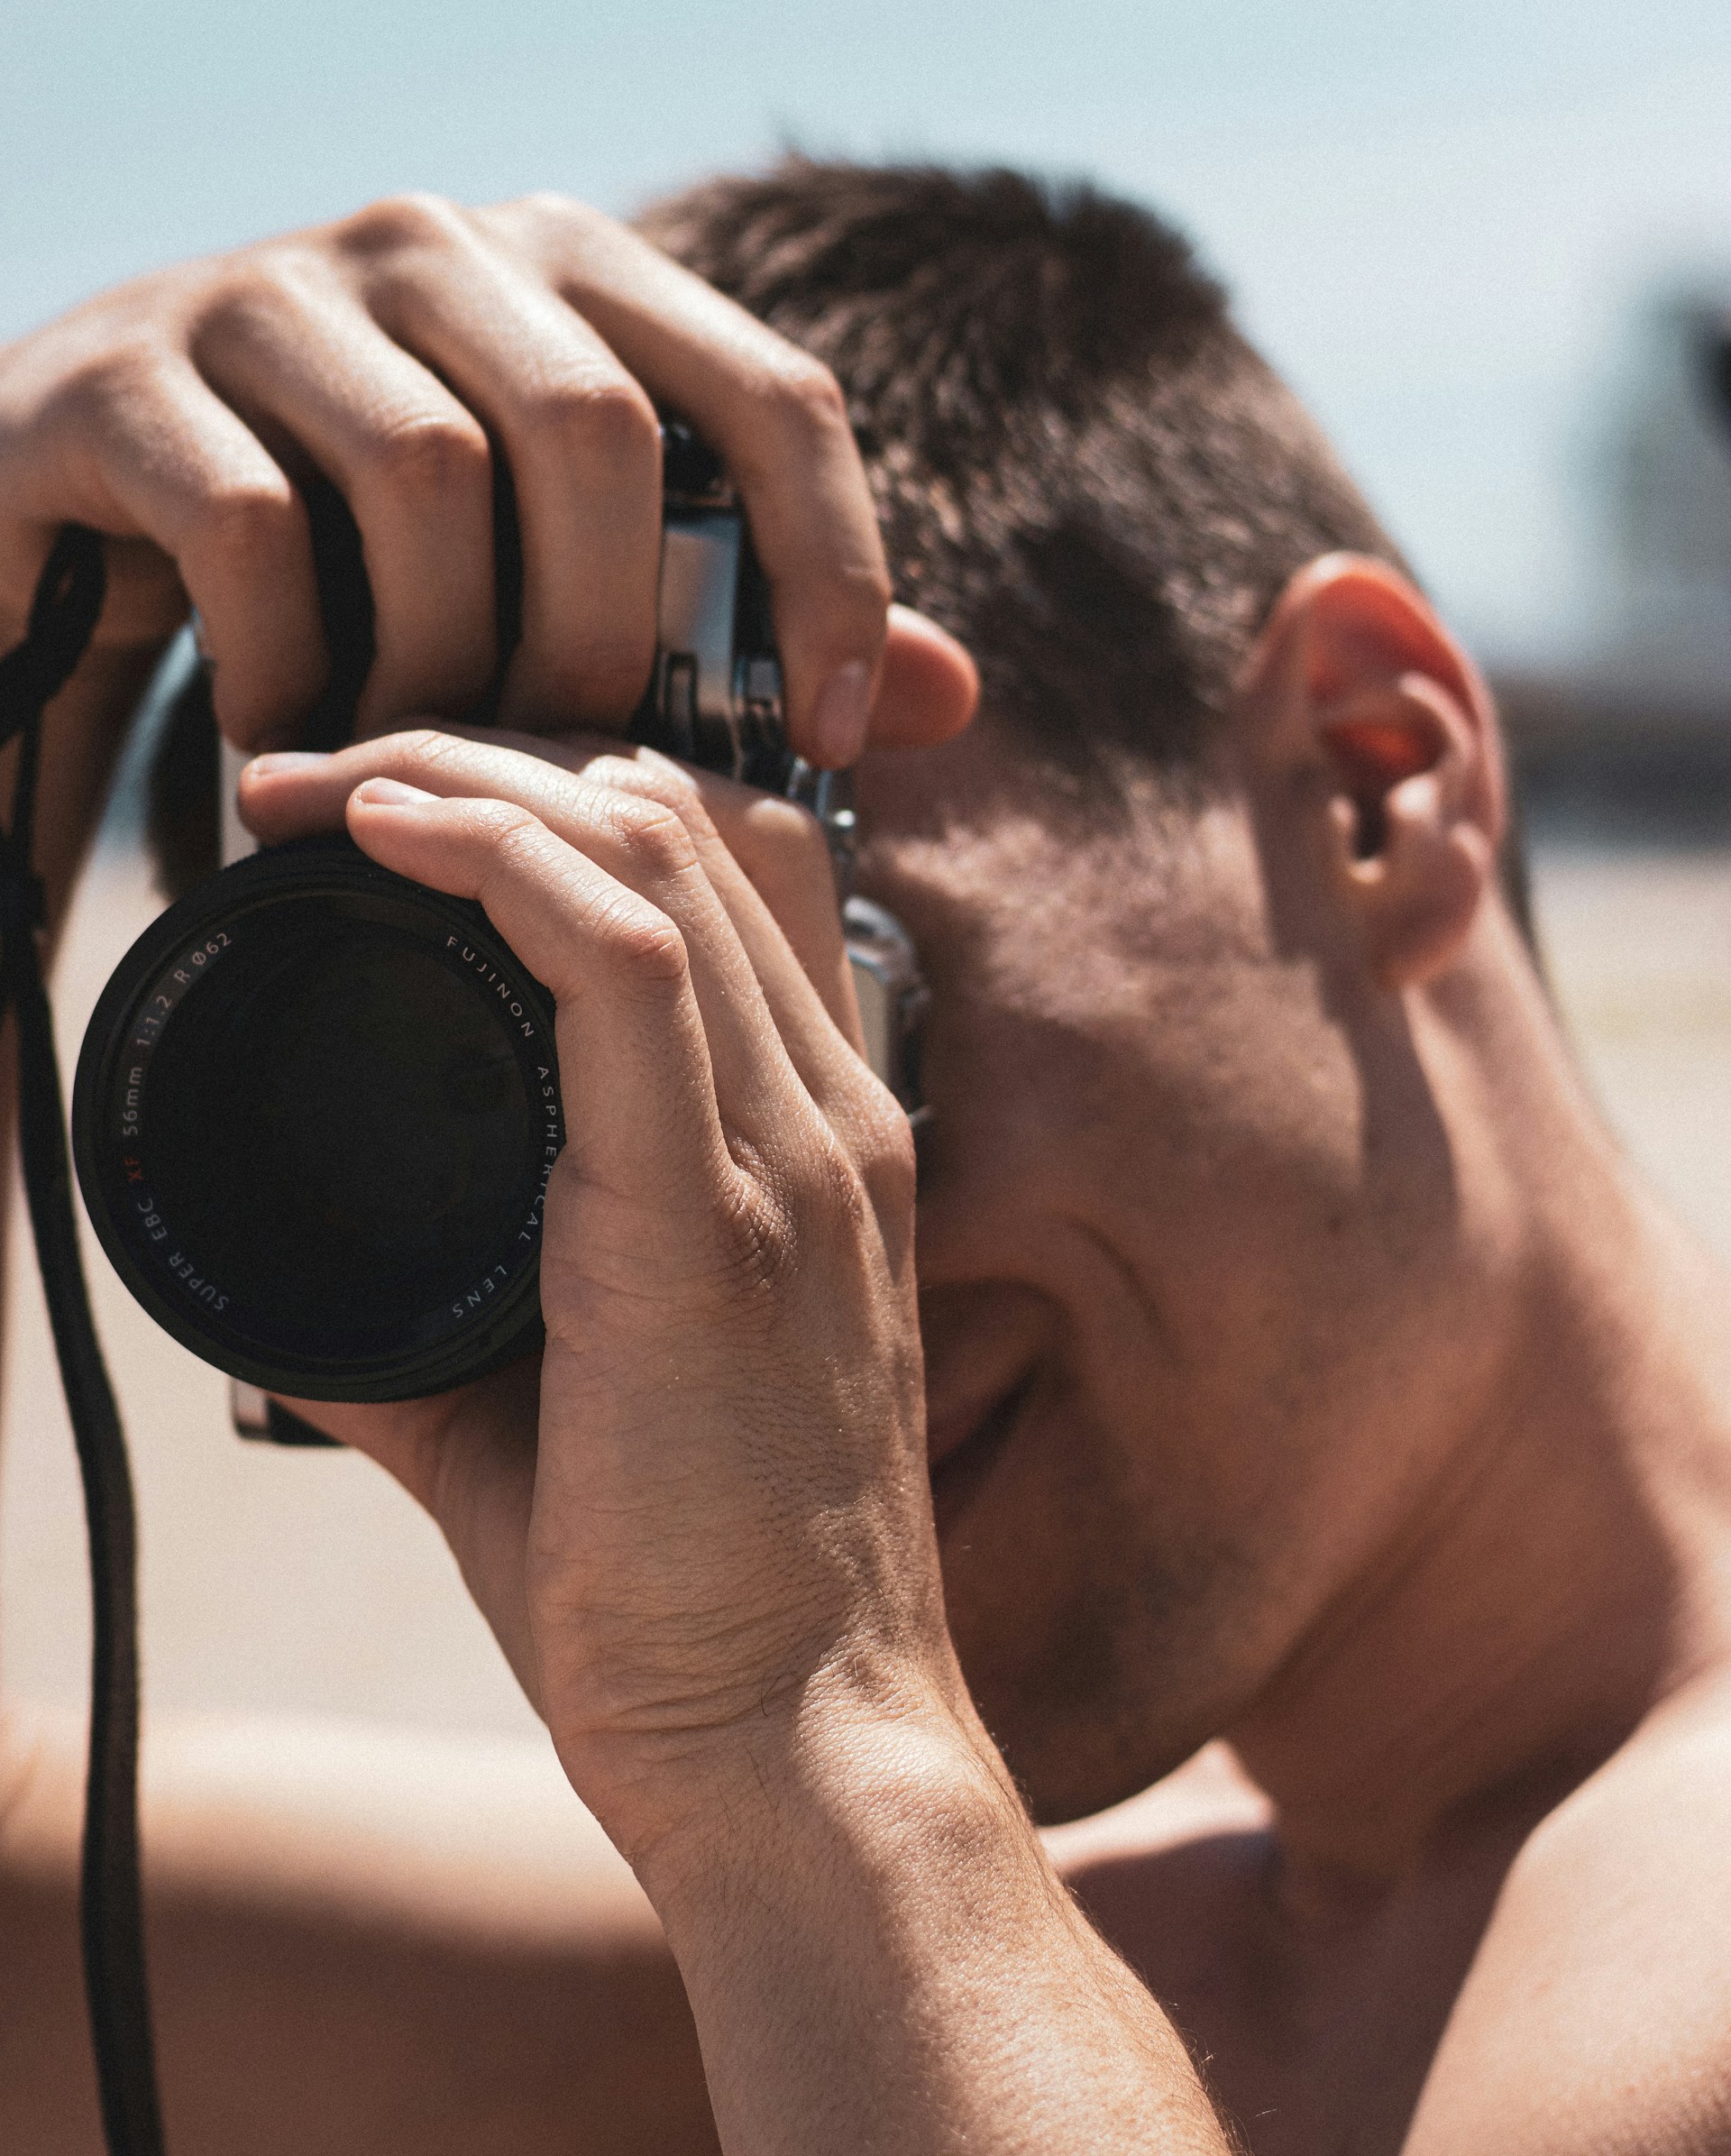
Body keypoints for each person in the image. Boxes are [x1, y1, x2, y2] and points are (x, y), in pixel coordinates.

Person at [1, 161, 1728, 2156]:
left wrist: (798, 1729)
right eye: (571, 1061)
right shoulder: (957, 1969)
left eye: (797, 1009)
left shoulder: (852, 1866)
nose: (741, 1243)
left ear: (1367, 777)